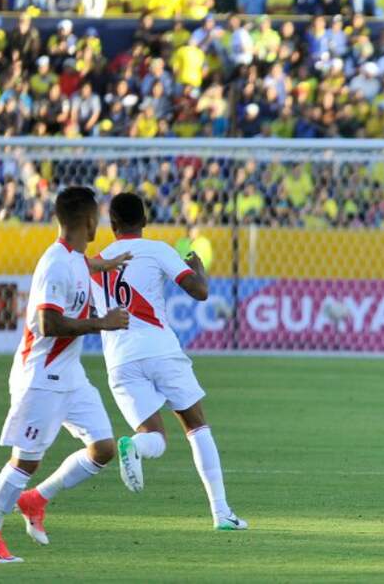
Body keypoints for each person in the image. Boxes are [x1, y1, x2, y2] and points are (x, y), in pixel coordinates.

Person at [0, 187, 130, 562]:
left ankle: (36, 500)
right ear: (89, 221)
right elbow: (47, 322)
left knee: (103, 447)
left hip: (69, 375)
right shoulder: (56, 263)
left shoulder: (75, 256)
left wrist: (101, 266)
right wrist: (100, 323)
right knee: (25, 461)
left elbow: (81, 267)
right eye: (98, 218)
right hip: (40, 377)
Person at [91, 193, 247, 530]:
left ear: (112, 225)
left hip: (119, 359)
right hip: (160, 349)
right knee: (196, 425)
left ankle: (136, 445)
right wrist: (199, 270)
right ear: (144, 222)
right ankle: (221, 513)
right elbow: (200, 292)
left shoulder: (96, 262)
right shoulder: (158, 249)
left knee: (155, 439)